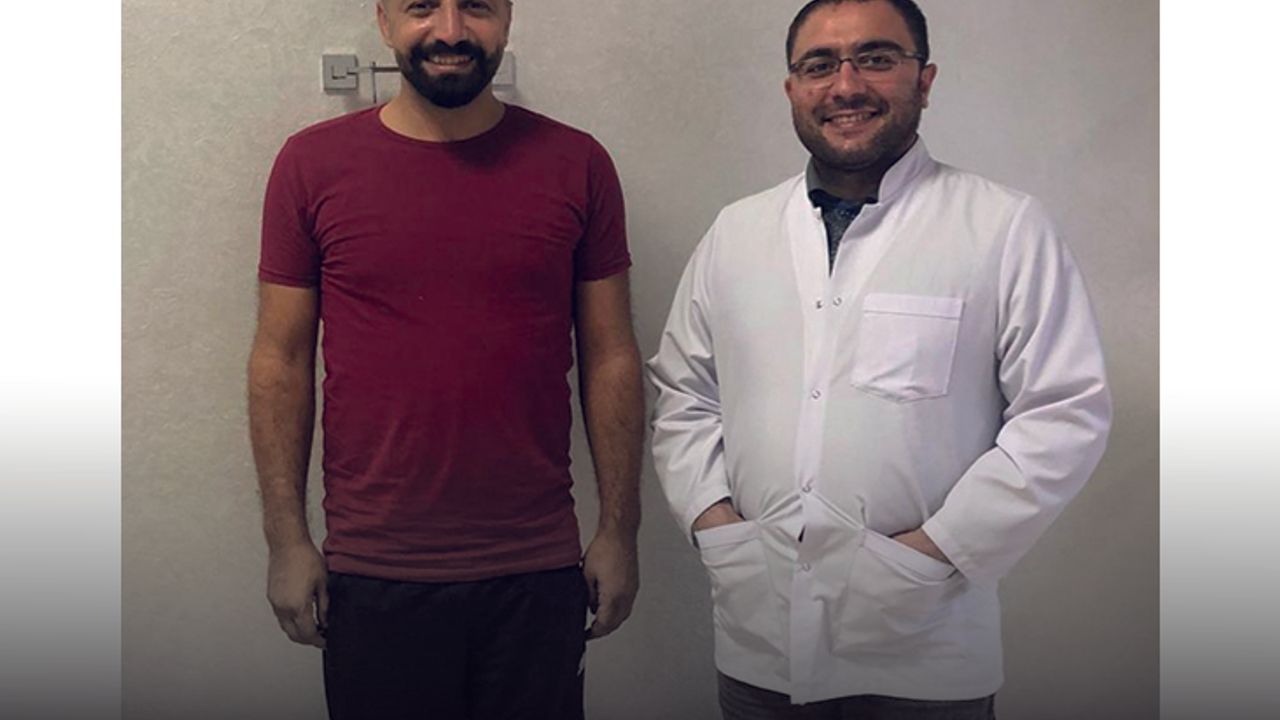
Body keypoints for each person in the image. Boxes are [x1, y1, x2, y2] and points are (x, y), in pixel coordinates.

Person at [648, 0, 1112, 717]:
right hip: (758, 640)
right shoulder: (735, 233)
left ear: (924, 79)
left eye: (875, 58)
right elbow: (684, 394)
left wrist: (938, 550)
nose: (846, 85)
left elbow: (1064, 412)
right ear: (792, 89)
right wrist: (714, 521)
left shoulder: (1003, 227)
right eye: (819, 65)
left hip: (924, 648)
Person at [247, 1, 643, 718]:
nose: (451, 31)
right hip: (374, 571)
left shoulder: (577, 164)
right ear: (383, 20)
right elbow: (281, 359)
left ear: (508, 18)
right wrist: (286, 539)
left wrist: (620, 530)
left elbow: (611, 354)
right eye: (422, 7)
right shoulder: (310, 165)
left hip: (536, 568)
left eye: (477, 7)